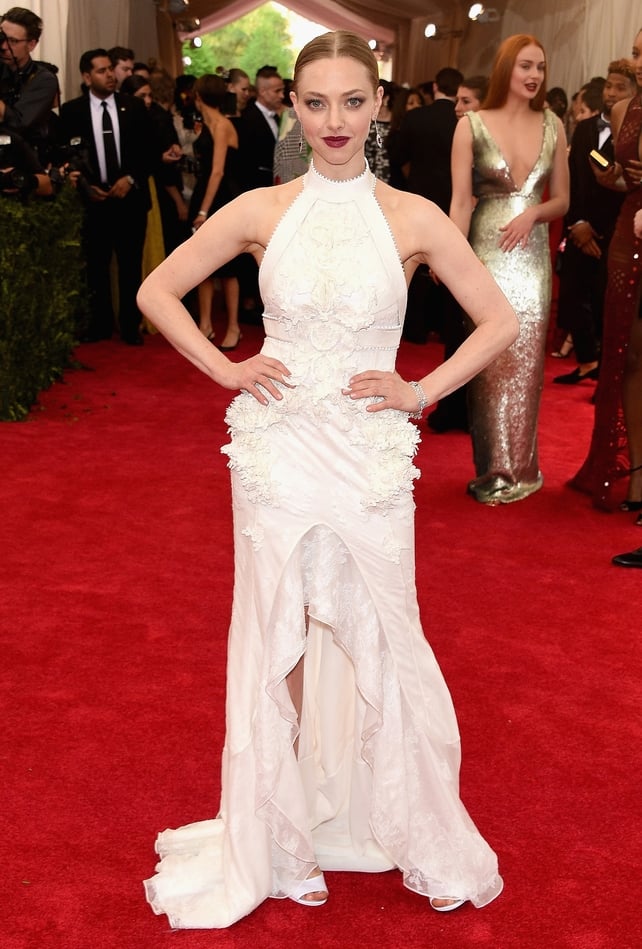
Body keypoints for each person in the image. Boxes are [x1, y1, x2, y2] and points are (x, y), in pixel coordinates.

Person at [138, 30, 518, 929]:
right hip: (276, 451)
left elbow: (499, 320)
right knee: (279, 626)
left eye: (353, 101)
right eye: (317, 103)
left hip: (370, 451)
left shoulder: (417, 217)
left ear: (379, 105)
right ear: (295, 108)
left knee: (384, 623)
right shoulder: (262, 206)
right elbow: (159, 291)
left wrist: (420, 390)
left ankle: (370, 802)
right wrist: (227, 366)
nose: (335, 120)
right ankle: (281, 812)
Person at [450, 34, 569, 504]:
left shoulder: (554, 124)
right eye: (525, 66)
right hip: (485, 252)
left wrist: (532, 213)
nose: (534, 75)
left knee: (526, 360)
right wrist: (450, 257)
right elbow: (460, 202)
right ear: (506, 69)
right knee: (489, 361)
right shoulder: (471, 125)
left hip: (532, 254)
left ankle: (522, 468)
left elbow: (562, 198)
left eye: (540, 66)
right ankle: (492, 470)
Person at [569, 29, 642, 519]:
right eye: (638, 51)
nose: (640, 61)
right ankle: (638, 485)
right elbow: (620, 175)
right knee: (630, 356)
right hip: (628, 237)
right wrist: (610, 177)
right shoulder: (622, 111)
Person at [59, 48, 152, 345]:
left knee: (130, 265)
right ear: (87, 77)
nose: (110, 75)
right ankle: (99, 324)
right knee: (96, 265)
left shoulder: (134, 106)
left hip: (130, 200)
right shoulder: (72, 111)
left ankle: (129, 325)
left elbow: (148, 153)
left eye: (111, 68)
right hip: (94, 202)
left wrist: (131, 178)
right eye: (102, 70)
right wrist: (85, 185)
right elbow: (67, 155)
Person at [553, 61, 636, 385]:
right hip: (579, 228)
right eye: (609, 86)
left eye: (620, 88)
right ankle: (587, 361)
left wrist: (598, 230)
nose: (612, 93)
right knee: (572, 298)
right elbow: (570, 181)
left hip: (615, 232)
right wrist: (578, 224)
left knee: (606, 305)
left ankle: (605, 372)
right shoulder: (586, 129)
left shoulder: (633, 134)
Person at [189, 74, 242, 350]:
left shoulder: (222, 125)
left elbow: (218, 170)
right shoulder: (206, 125)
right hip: (205, 193)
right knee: (202, 266)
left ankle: (233, 326)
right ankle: (205, 325)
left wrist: (202, 210)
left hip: (221, 197)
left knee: (228, 268)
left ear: (198, 96)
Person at [0, 7, 58, 156]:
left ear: (31, 44)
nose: (4, 47)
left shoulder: (43, 79)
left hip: (24, 160)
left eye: (13, 41)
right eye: (2, 38)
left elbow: (19, 124)